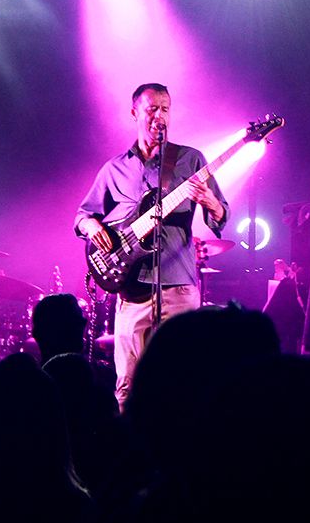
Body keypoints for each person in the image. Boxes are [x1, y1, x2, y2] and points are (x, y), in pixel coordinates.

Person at [74, 82, 228, 410]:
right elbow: (82, 216)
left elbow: (221, 216)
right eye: (152, 109)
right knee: (128, 385)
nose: (160, 116)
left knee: (182, 382)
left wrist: (211, 202)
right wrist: (92, 226)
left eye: (165, 109)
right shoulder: (114, 168)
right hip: (131, 289)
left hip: (178, 285)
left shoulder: (190, 160)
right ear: (134, 113)